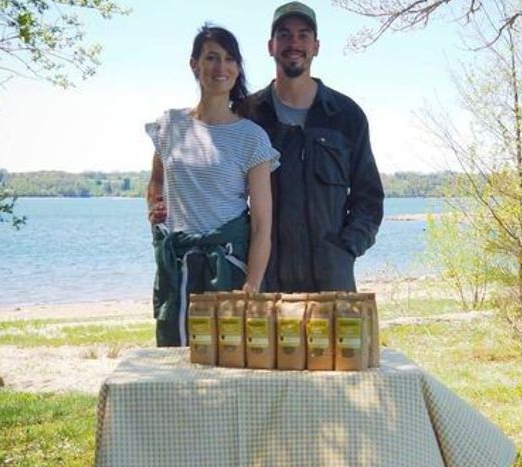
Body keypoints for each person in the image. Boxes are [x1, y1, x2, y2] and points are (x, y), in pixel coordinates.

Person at [146, 25, 279, 347]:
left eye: (230, 59)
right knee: (175, 363)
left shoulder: (251, 137)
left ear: (238, 68)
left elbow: (262, 224)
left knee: (230, 361)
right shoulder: (170, 125)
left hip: (228, 268)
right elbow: (156, 181)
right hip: (177, 267)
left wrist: (252, 285)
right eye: (212, 57)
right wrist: (156, 208)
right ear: (194, 64)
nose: (222, 67)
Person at [248, 1, 384, 293]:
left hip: (331, 283)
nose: (294, 42)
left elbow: (369, 198)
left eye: (303, 35)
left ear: (316, 46)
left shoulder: (346, 116)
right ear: (270, 46)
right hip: (264, 284)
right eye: (284, 34)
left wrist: (345, 249)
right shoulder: (248, 115)